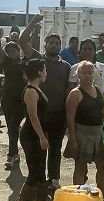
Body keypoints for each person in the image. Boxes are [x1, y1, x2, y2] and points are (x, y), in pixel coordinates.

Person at [19, 15, 70, 191]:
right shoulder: (38, 59)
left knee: (55, 149)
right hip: (40, 115)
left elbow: (68, 91)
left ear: (60, 46)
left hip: (58, 115)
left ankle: (54, 179)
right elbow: (22, 40)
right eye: (51, 42)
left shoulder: (66, 66)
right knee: (40, 150)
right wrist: (33, 23)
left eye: (57, 43)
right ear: (45, 45)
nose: (54, 45)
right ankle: (38, 182)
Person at [65, 61, 104, 201]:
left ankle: (101, 197)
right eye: (84, 73)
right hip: (82, 134)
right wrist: (72, 139)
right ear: (77, 75)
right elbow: (70, 118)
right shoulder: (75, 94)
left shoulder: (98, 90)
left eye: (90, 72)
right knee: (81, 167)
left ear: (95, 74)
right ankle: (78, 198)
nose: (87, 75)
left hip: (99, 134)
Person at [11, 58, 51, 201]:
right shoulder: (31, 91)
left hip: (37, 134)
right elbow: (33, 117)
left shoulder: (36, 89)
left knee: (41, 173)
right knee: (35, 173)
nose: (46, 73)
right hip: (32, 135)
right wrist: (42, 137)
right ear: (40, 72)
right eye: (45, 69)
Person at [0, 41, 26, 169]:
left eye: (13, 51)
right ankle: (14, 153)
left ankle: (11, 155)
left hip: (20, 100)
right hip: (7, 99)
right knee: (11, 128)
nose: (11, 54)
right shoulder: (6, 62)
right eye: (8, 52)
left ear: (18, 50)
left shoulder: (25, 63)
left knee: (14, 125)